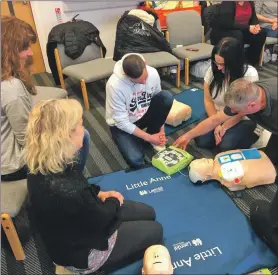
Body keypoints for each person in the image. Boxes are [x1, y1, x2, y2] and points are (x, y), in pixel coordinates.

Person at [25, 99, 163, 274]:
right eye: (81, 126)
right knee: (155, 231)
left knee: (148, 212)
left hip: (76, 226)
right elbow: (102, 220)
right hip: (82, 252)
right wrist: (113, 199)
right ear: (66, 136)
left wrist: (100, 193)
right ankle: (93, 269)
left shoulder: (46, 163)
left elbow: (81, 192)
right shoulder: (66, 189)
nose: (84, 131)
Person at [1, 16, 70, 181]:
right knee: (79, 138)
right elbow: (27, 138)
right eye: (24, 47)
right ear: (8, 50)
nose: (30, 53)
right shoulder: (11, 88)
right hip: (13, 165)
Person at [174, 78, 278, 166]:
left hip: (274, 119)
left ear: (252, 105)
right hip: (271, 121)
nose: (232, 112)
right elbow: (215, 120)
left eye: (237, 111)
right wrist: (187, 136)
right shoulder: (247, 94)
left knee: (271, 164)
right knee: (269, 161)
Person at [106, 53, 173, 168]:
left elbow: (159, 100)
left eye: (145, 78)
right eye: (137, 81)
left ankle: (152, 133)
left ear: (145, 64)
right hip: (121, 124)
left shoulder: (152, 73)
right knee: (136, 160)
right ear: (125, 74)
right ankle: (142, 137)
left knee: (166, 97)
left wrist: (160, 131)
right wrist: (149, 138)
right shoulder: (114, 86)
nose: (143, 82)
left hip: (143, 115)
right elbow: (122, 122)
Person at [195, 37, 259, 151]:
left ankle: (253, 135)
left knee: (225, 145)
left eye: (223, 64)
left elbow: (244, 110)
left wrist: (225, 126)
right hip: (217, 113)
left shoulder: (250, 74)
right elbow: (208, 100)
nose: (219, 67)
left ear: (235, 62)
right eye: (216, 63)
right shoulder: (213, 70)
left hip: (241, 117)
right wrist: (216, 124)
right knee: (202, 141)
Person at [210, 1, 266, 67]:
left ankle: (250, 63)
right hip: (223, 31)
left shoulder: (250, 3)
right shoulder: (227, 3)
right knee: (238, 34)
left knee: (261, 33)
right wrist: (248, 27)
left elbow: (254, 18)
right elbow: (227, 24)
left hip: (241, 30)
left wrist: (256, 26)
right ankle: (238, 64)